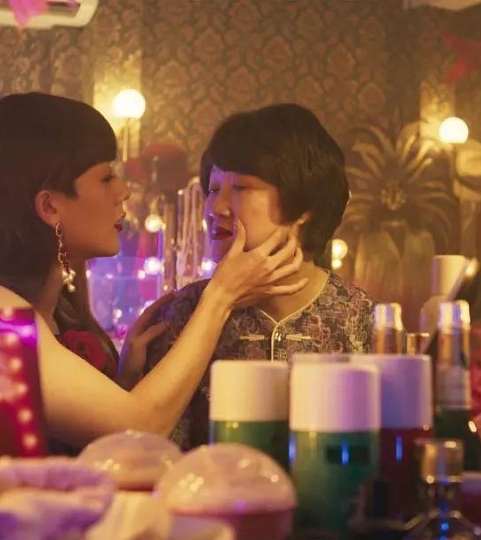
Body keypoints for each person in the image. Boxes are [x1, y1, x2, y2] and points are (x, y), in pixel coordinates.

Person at [0, 93, 305, 452]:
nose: (124, 191)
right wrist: (220, 297)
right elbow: (137, 426)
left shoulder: (58, 309)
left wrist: (123, 381)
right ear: (50, 206)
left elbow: (85, 441)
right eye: (106, 177)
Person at [132, 103, 377, 449]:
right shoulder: (184, 312)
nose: (216, 208)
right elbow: (155, 452)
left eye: (240, 188)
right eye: (213, 188)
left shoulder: (363, 319)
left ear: (303, 207)